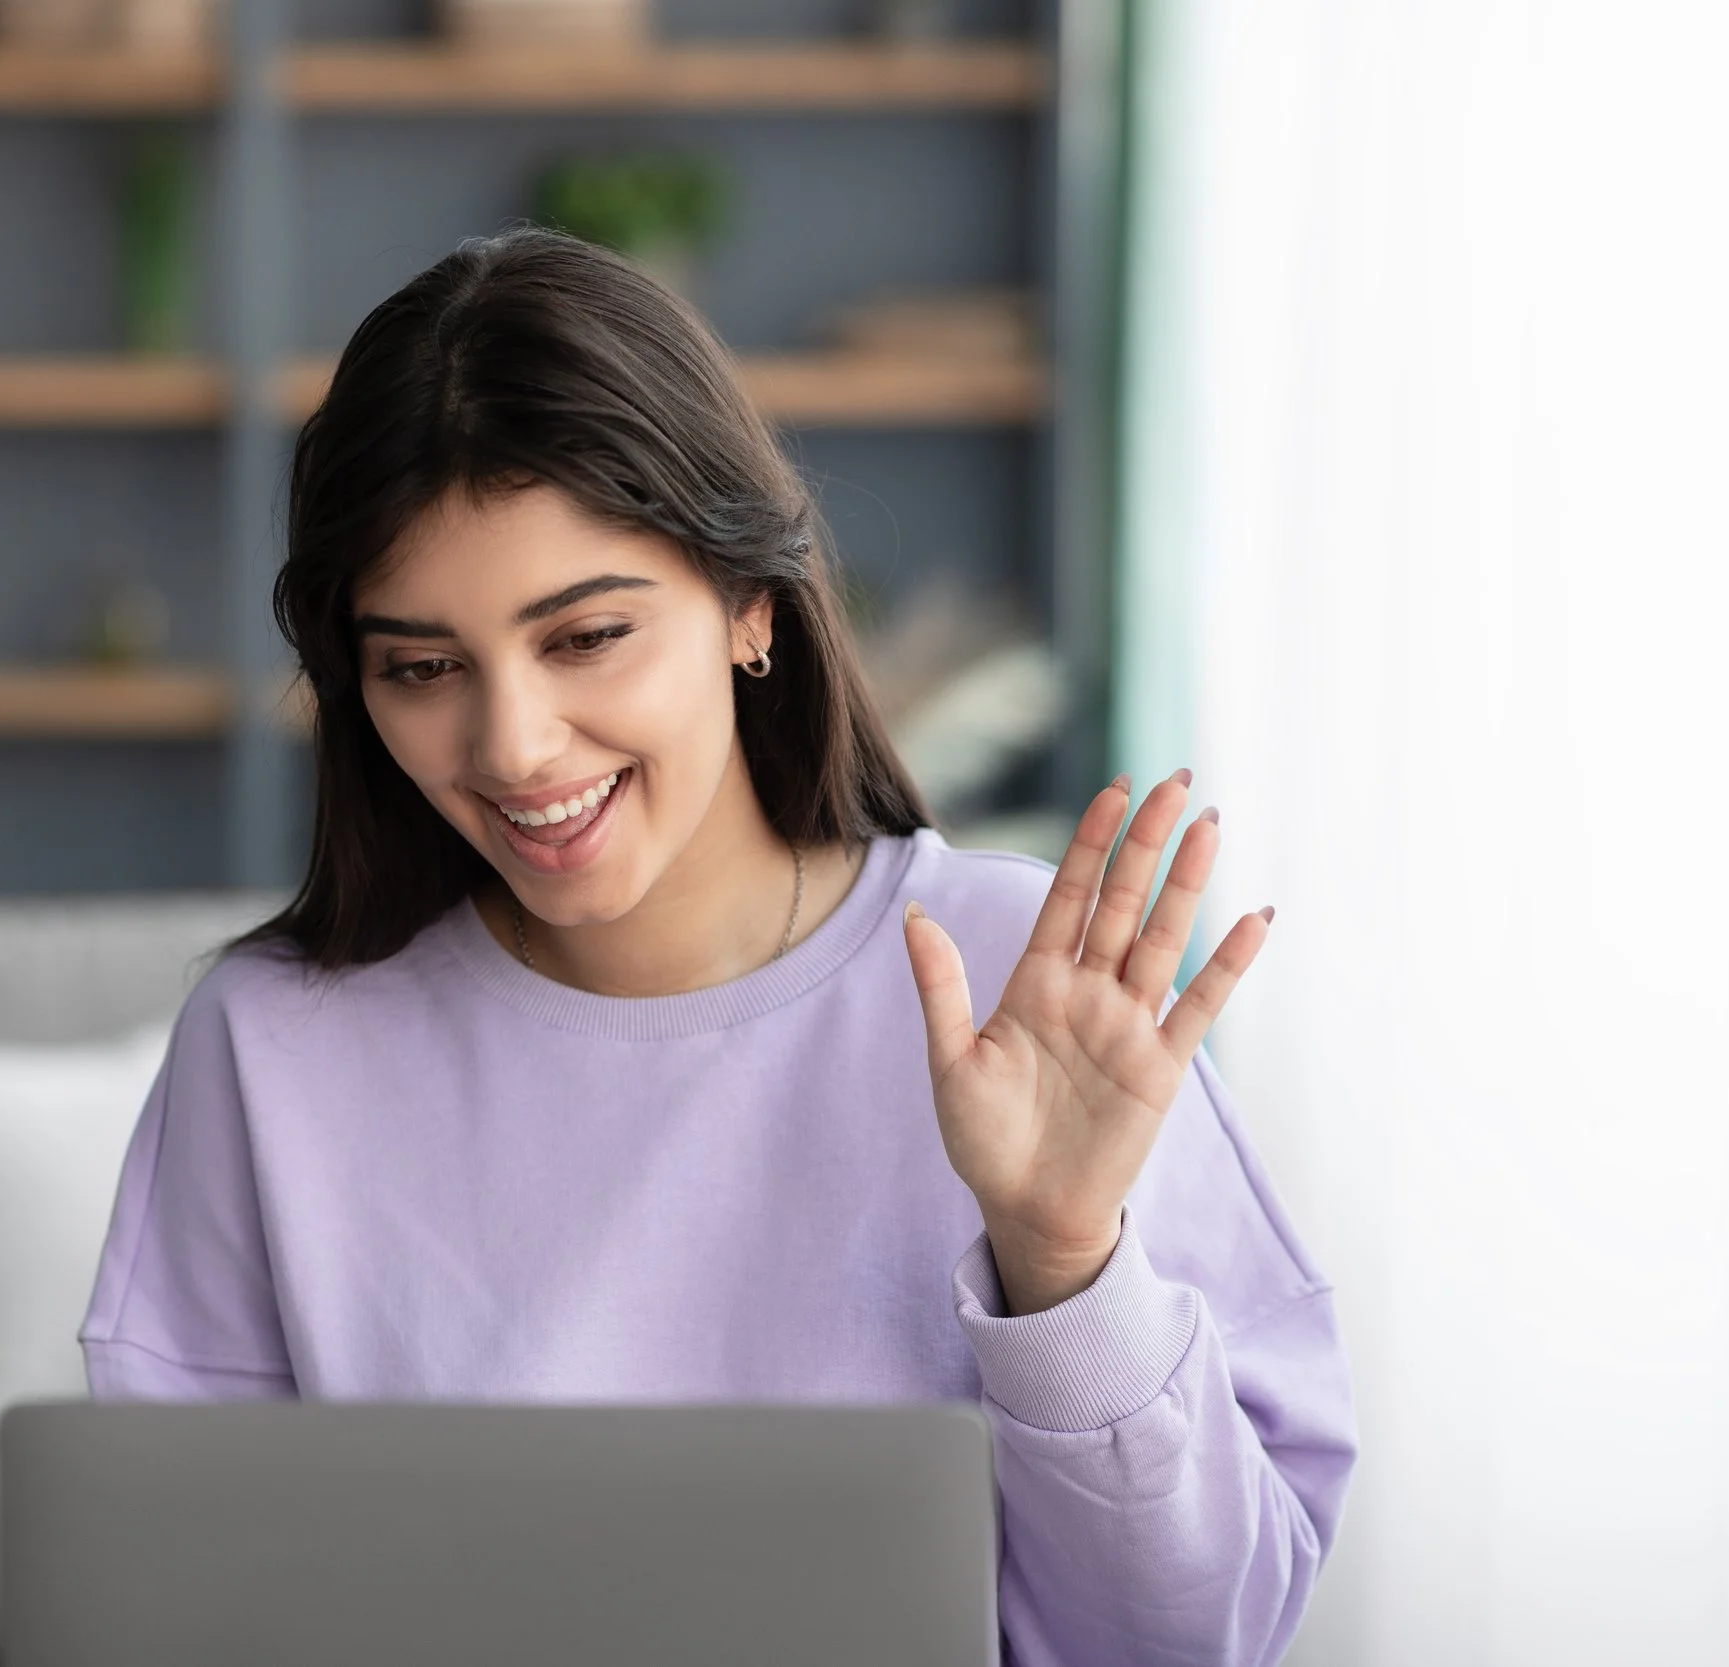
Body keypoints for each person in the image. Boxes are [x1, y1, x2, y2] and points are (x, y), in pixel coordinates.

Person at [79, 227, 1356, 1666]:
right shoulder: (271, 1049)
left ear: (750, 606)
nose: (511, 744)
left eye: (587, 637)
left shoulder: (1022, 988)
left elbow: (1198, 1640)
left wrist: (1062, 1264)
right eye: (423, 668)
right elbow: (176, 1610)